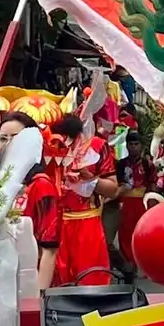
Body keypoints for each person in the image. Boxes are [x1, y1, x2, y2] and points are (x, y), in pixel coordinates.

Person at [0, 111, 62, 289]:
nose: (8, 144)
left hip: (29, 283)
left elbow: (50, 249)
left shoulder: (41, 186)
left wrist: (37, 297)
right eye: (3, 138)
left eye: (15, 138)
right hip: (3, 283)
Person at [50, 114, 115, 287]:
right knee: (57, 282)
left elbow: (112, 189)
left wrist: (90, 179)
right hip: (55, 224)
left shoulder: (95, 147)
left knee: (91, 279)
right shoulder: (48, 147)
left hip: (87, 223)